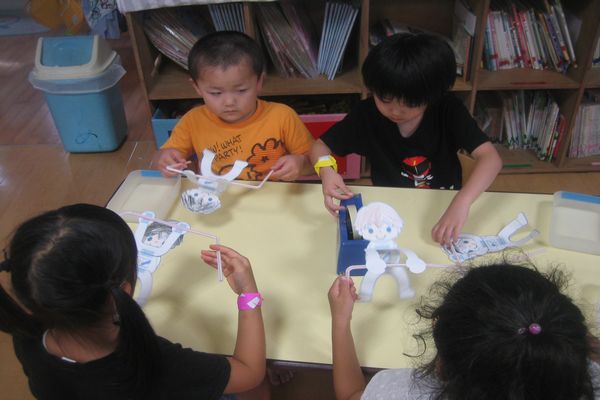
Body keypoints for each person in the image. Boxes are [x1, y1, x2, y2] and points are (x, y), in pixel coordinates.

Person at [0, 204, 265, 399]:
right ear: (124, 291)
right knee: (259, 388)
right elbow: (250, 372)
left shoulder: (26, 336)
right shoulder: (154, 363)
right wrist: (248, 292)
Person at [310, 32, 503, 245]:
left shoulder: (448, 110)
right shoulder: (367, 115)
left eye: (409, 103)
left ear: (431, 96)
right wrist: (326, 170)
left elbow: (490, 158)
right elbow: (320, 146)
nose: (395, 111)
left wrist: (462, 202)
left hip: (443, 204)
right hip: (390, 206)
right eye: (385, 99)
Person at [328, 262, 600, 400]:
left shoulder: (399, 392)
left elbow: (352, 395)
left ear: (442, 369)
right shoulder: (586, 371)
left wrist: (340, 321)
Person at [154, 31, 314, 182]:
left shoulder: (282, 117)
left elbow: (316, 164)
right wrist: (165, 159)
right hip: (217, 196)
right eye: (216, 93)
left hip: (272, 195)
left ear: (260, 82)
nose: (229, 102)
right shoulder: (192, 121)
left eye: (241, 90)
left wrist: (301, 164)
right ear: (197, 87)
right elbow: (160, 156)